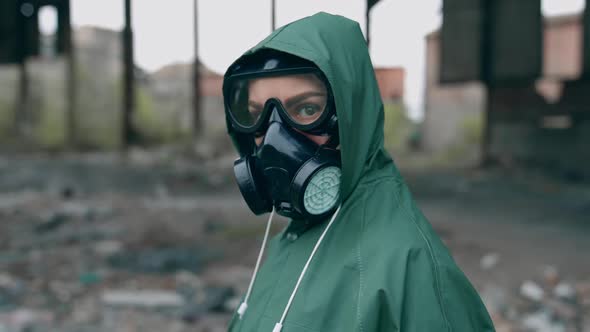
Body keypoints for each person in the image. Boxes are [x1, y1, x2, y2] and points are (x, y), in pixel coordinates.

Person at [222, 12, 495, 332]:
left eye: (307, 109)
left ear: (353, 112)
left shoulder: (411, 266)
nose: (272, 139)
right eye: (256, 114)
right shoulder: (294, 234)